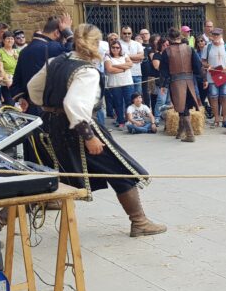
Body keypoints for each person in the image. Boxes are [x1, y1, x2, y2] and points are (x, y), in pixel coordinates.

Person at [27, 24, 166, 237]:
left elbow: (33, 88)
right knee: (121, 168)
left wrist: (48, 106)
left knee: (43, 174)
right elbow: (74, 104)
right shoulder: (86, 71)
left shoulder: (56, 61)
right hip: (79, 128)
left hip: (50, 125)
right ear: (95, 44)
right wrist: (89, 137)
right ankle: (139, 222)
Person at [11, 14, 72, 115]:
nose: (64, 40)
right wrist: (69, 34)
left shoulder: (25, 50)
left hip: (30, 108)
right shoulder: (54, 47)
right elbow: (75, 55)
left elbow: (16, 81)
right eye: (63, 36)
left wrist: (21, 98)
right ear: (57, 33)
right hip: (51, 111)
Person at [160, 27, 203, 143]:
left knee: (182, 109)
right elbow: (198, 66)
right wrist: (203, 79)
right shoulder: (189, 49)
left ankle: (190, 134)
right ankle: (180, 132)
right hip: (189, 81)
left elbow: (163, 70)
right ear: (179, 37)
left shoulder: (167, 51)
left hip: (176, 83)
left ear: (169, 38)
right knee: (184, 108)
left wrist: (163, 85)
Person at [204, 28, 226, 128]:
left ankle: (224, 119)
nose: (216, 36)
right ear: (212, 35)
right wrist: (208, 66)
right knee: (214, 98)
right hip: (212, 75)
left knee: (224, 97)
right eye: (214, 34)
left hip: (223, 75)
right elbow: (203, 61)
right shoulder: (207, 47)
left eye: (218, 35)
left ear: (221, 36)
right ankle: (216, 119)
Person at [104, 41, 134, 130]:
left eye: (117, 47)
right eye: (113, 47)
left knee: (129, 102)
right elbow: (110, 69)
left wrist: (116, 65)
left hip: (127, 82)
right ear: (110, 48)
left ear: (120, 48)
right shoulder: (107, 56)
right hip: (115, 84)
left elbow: (130, 64)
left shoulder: (124, 55)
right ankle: (121, 122)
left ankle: (129, 120)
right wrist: (124, 69)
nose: (115, 49)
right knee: (118, 103)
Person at [118, 26, 145, 96]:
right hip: (124, 74)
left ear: (132, 34)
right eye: (124, 33)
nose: (127, 35)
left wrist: (125, 56)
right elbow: (118, 58)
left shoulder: (137, 44)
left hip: (137, 74)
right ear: (121, 34)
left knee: (138, 96)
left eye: (129, 33)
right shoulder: (117, 44)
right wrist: (135, 58)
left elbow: (141, 56)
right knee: (127, 97)